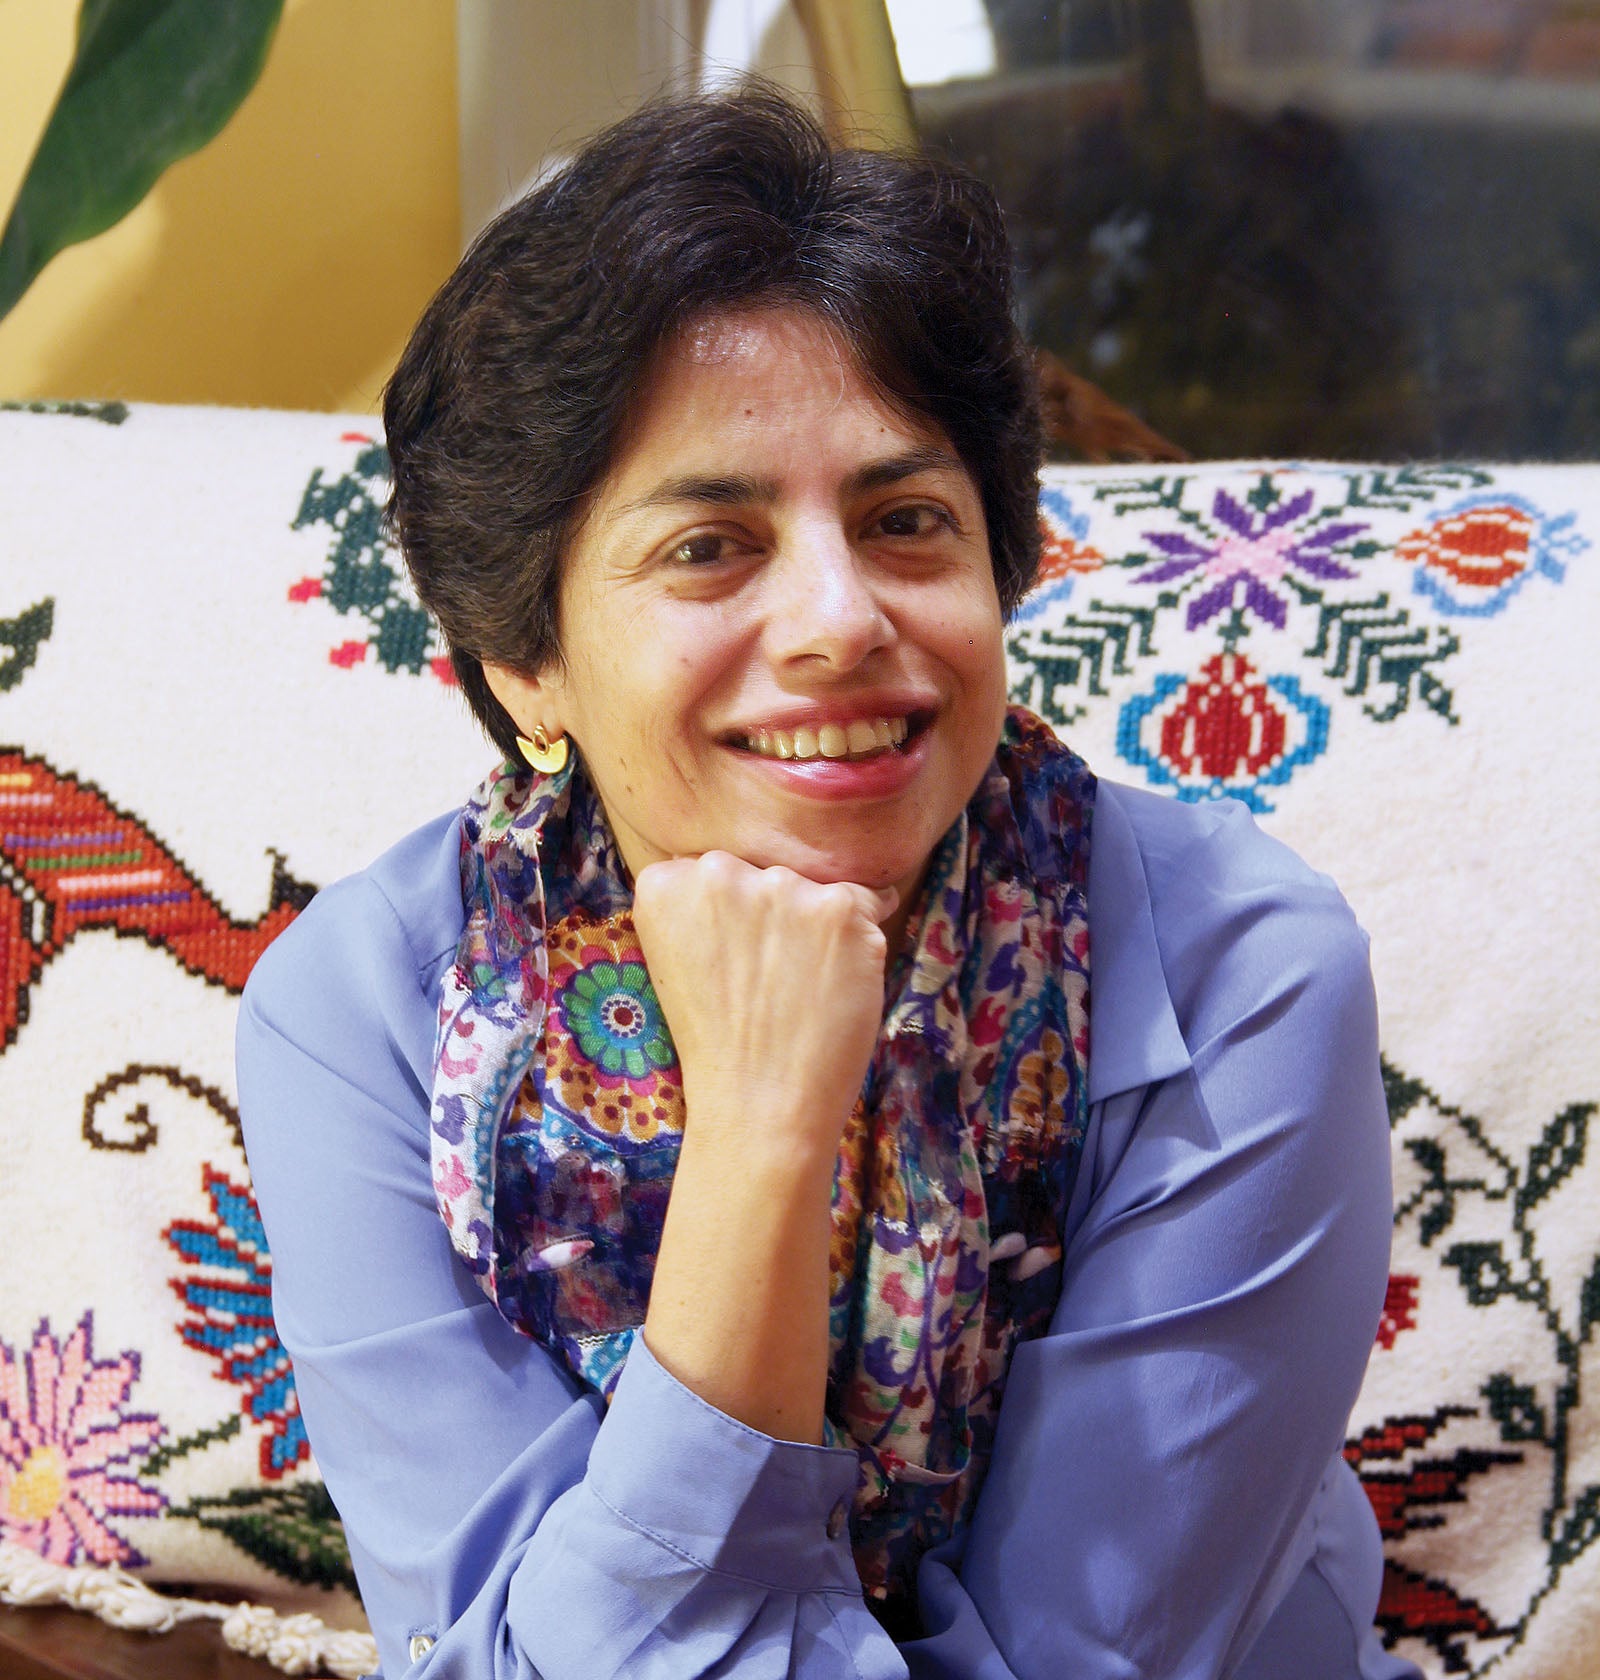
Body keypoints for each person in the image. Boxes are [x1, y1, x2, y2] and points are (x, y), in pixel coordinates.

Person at [236, 88, 1419, 1679]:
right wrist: (763, 1133)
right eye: (710, 545)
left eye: (906, 521)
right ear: (526, 660)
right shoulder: (358, 1015)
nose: (837, 619)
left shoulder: (1241, 973)